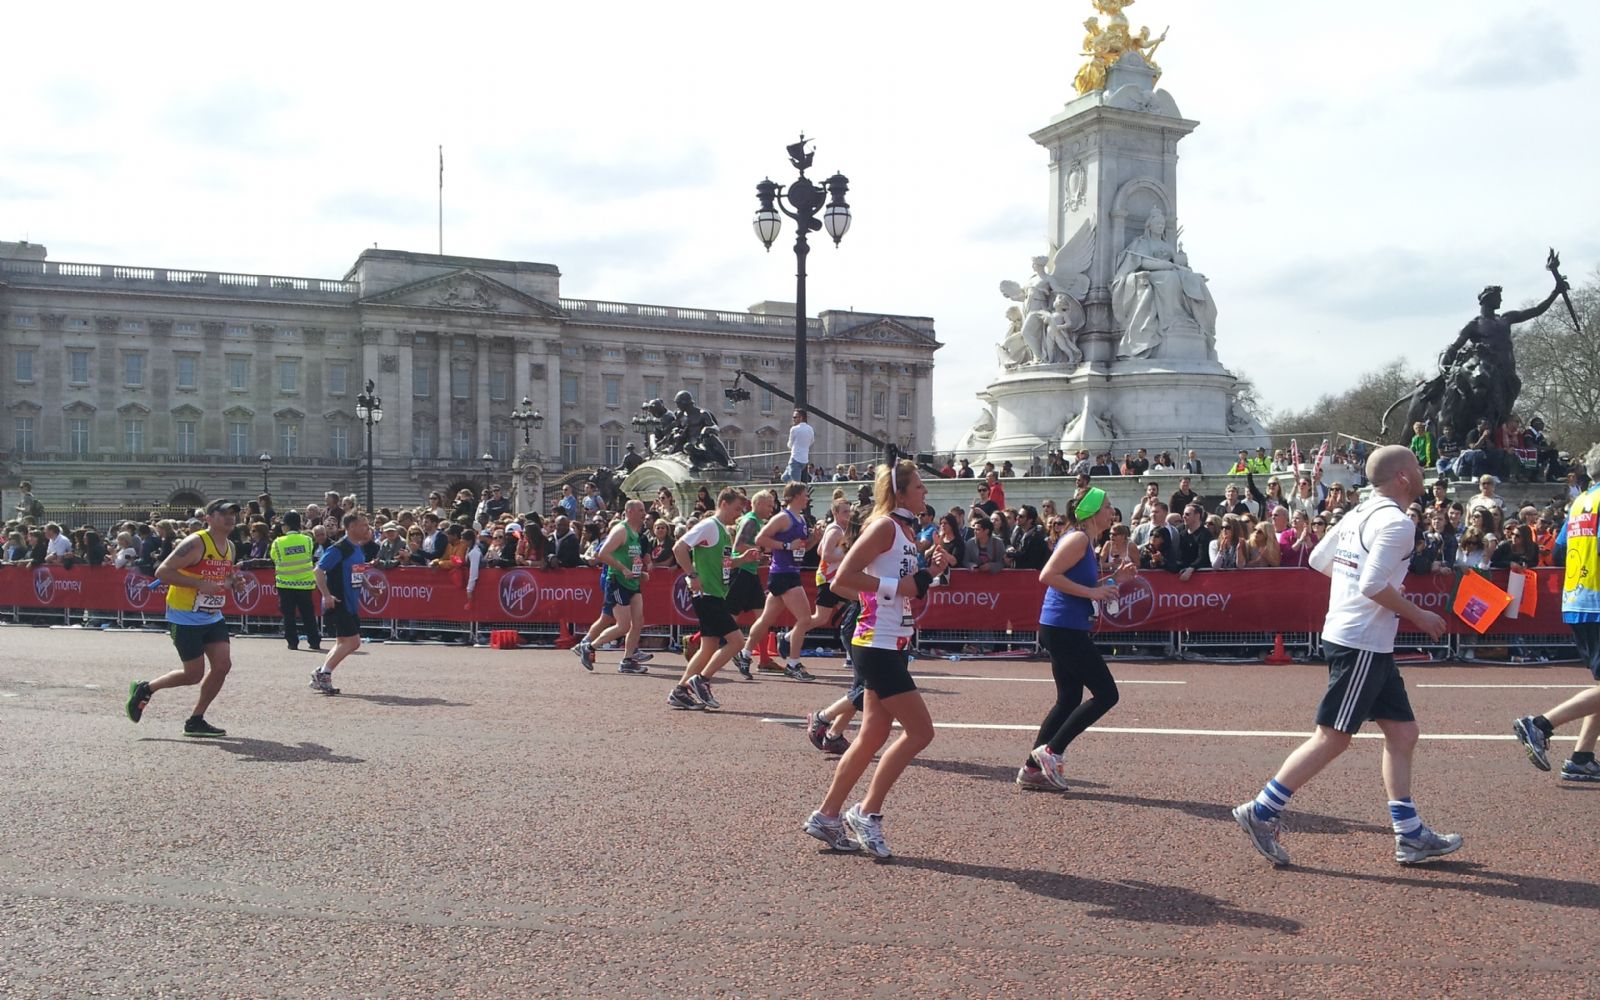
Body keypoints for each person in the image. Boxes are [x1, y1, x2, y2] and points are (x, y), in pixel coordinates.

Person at [1233, 445, 1459, 867]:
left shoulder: (1357, 513)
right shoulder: (1396, 522)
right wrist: (1418, 613)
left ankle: (1410, 835)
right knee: (1333, 737)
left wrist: (1378, 586)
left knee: (1403, 733)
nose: (1423, 472)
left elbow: (1322, 560)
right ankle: (1262, 810)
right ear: (1403, 478)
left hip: (1363, 638)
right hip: (1362, 641)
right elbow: (1372, 585)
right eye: (1417, 466)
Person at [803, 459, 952, 858]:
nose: (925, 492)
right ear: (900, 492)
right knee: (921, 732)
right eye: (919, 486)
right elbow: (842, 579)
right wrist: (898, 586)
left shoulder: (905, 531)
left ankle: (828, 815)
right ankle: (867, 812)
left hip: (891, 641)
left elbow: (901, 589)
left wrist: (927, 575)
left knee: (871, 735)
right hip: (877, 642)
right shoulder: (884, 526)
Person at [1019, 488, 1137, 790]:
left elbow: (1079, 584)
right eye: (1108, 506)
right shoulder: (1078, 539)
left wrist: (1114, 581)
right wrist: (1095, 592)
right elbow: (1048, 575)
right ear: (1094, 511)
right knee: (1107, 694)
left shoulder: (1086, 541)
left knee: (1069, 698)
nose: (1112, 512)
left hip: (1063, 626)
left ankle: (1032, 769)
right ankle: (1051, 751)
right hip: (1063, 627)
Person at [1514, 444, 1600, 782]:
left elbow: (1561, 549)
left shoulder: (1580, 502)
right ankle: (1541, 724)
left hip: (1579, 599)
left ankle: (1582, 756)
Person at [124, 499, 244, 737]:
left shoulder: (230, 546)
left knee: (222, 666)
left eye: (233, 513)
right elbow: (163, 572)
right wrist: (199, 583)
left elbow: (222, 576)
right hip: (184, 615)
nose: (230, 517)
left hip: (211, 615)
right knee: (193, 675)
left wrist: (234, 583)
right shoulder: (196, 543)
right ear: (208, 518)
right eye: (223, 513)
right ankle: (146, 688)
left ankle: (196, 719)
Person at [670, 487, 760, 710]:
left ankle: (681, 691)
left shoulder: (722, 531)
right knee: (737, 642)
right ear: (724, 504)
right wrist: (692, 574)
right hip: (707, 595)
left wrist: (743, 559)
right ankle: (702, 679)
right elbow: (679, 547)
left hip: (717, 593)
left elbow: (724, 564)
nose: (739, 514)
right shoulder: (709, 525)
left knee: (708, 647)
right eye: (737, 509)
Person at [740, 483, 823, 681]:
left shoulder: (800, 519)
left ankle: (744, 653)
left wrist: (815, 540)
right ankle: (793, 663)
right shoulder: (783, 517)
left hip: (787, 572)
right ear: (794, 497)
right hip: (784, 573)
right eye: (804, 495)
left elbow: (800, 547)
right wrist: (785, 545)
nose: (807, 498)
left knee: (767, 619)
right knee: (804, 619)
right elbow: (761, 538)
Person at [574, 500, 652, 674]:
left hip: (633, 582)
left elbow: (632, 558)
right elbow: (601, 554)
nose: (644, 514)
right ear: (630, 512)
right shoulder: (621, 530)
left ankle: (628, 660)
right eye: (640, 510)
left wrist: (640, 573)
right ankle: (590, 647)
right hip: (617, 581)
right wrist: (623, 569)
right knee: (623, 626)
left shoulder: (636, 533)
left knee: (638, 622)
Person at [310, 512, 380, 695]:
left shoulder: (357, 548)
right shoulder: (339, 548)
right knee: (353, 642)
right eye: (363, 524)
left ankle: (321, 673)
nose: (367, 528)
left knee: (342, 642)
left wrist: (369, 586)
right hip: (339, 601)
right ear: (351, 527)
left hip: (350, 602)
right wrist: (326, 595)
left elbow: (357, 571)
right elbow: (318, 571)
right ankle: (324, 673)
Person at [269, 510, 321, 652]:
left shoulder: (278, 542)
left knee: (288, 615)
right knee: (308, 614)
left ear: (286, 526)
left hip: (285, 583)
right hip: (305, 583)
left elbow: (275, 559)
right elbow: (309, 555)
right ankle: (314, 641)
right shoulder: (308, 540)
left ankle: (292, 642)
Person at [787, 409, 814, 483]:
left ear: (801, 418)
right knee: (785, 477)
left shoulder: (794, 429)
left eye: (795, 417)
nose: (793, 419)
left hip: (795, 459)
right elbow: (812, 441)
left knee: (796, 484)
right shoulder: (810, 428)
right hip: (804, 460)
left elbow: (790, 444)